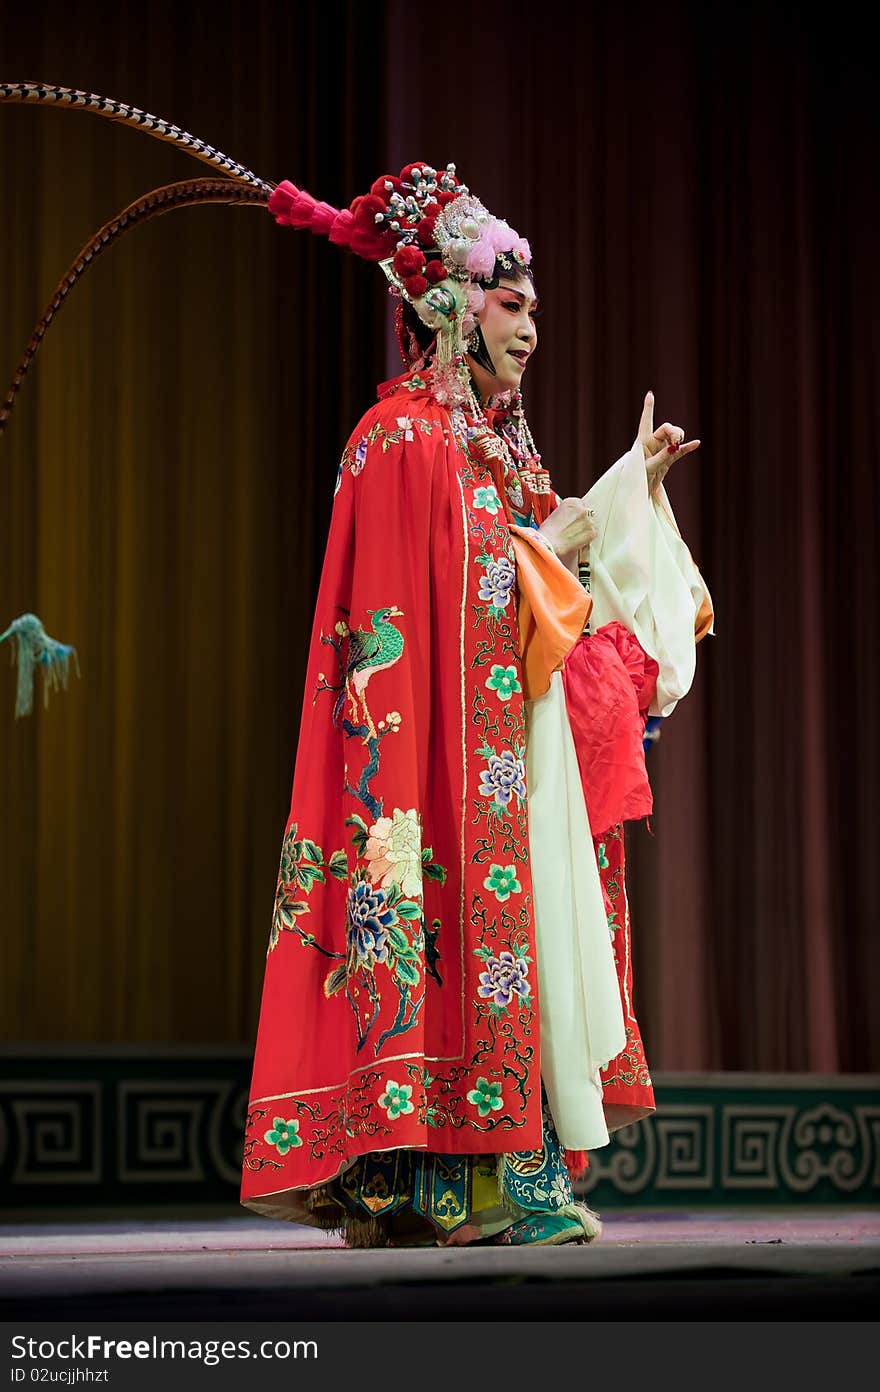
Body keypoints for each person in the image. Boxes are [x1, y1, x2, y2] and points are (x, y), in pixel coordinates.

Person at [239, 162, 712, 1247]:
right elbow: (472, 597)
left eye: (536, 306)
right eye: (512, 302)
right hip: (437, 757)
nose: (532, 326)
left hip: (507, 749)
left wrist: (627, 500)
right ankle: (431, 1181)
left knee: (520, 929)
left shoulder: (495, 443)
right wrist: (562, 542)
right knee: (433, 925)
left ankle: (487, 1180)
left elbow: (544, 578)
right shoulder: (398, 440)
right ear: (446, 305)